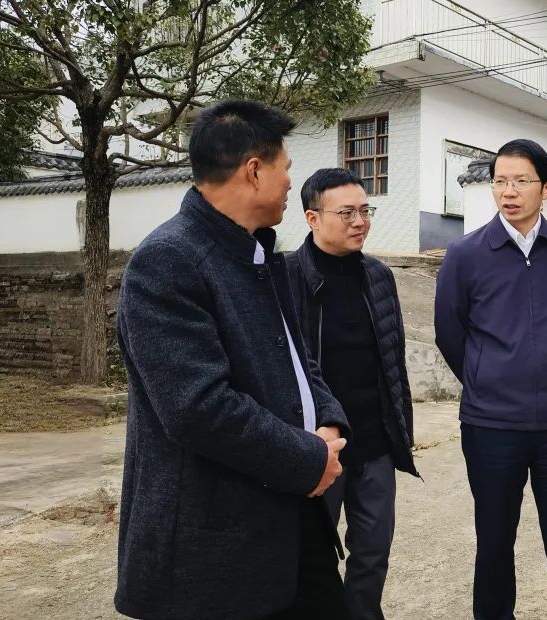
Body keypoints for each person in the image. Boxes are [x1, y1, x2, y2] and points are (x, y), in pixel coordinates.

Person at [114, 100, 351, 620]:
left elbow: (298, 360)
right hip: (215, 542)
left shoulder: (257, 253)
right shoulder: (169, 260)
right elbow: (199, 408)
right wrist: (308, 458)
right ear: (254, 171)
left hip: (292, 514)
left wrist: (329, 420)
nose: (291, 182)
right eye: (286, 168)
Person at [434, 139, 547, 620]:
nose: (509, 191)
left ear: (546, 188)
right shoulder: (465, 253)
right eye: (500, 181)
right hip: (491, 424)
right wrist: (486, 376)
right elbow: (449, 332)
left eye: (521, 181)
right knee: (494, 541)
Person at [286, 168, 420, 620]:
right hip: (316, 446)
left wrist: (400, 428)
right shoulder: (285, 278)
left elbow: (393, 359)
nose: (360, 221)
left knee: (373, 553)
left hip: (375, 443)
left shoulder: (378, 276)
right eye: (346, 213)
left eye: (365, 210)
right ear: (312, 218)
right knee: (312, 558)